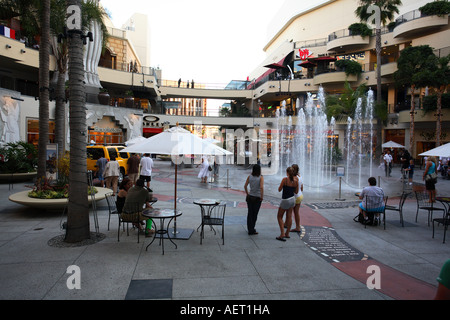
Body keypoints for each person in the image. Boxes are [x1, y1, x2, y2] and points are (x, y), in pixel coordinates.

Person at [276, 167, 299, 241]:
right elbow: (296, 192)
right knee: (289, 216)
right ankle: (287, 233)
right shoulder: (296, 181)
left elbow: (279, 189)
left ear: (287, 173)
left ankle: (282, 233)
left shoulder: (285, 179)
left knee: (279, 216)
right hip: (292, 199)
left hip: (285, 200)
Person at [244, 164, 264, 235]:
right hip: (257, 197)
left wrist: (247, 193)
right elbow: (261, 187)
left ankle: (250, 228)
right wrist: (262, 196)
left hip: (250, 197)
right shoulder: (261, 177)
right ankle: (252, 229)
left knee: (250, 213)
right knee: (255, 214)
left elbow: (245, 186)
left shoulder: (249, 177)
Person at [290, 164, 304, 233]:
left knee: (290, 212)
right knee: (296, 212)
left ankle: (293, 226)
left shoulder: (294, 178)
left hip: (295, 196)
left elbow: (294, 189)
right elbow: (302, 188)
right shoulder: (300, 176)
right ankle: (297, 226)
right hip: (300, 195)